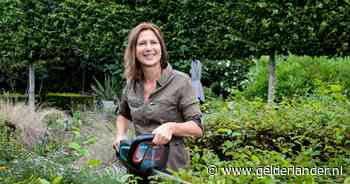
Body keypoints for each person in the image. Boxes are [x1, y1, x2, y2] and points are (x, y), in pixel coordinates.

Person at [113, 22, 204, 172]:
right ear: (134, 50)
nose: (148, 48)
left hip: (172, 170)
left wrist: (171, 127)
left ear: (161, 48)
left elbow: (197, 128)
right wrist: (120, 135)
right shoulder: (131, 84)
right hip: (139, 165)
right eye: (142, 43)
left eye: (153, 42)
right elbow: (123, 114)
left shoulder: (181, 81)